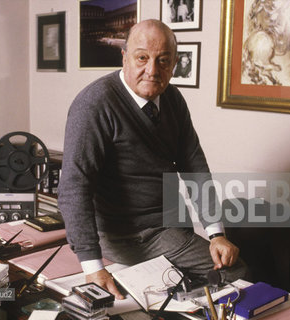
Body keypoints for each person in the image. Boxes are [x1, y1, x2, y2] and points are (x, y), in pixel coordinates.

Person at [58, 19, 246, 300]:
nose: (152, 70)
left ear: (173, 64)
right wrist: (92, 267)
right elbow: (74, 188)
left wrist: (216, 232)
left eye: (163, 60)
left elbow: (194, 168)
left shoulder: (172, 99)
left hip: (168, 226)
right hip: (122, 235)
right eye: (142, 58)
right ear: (124, 57)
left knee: (231, 274)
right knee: (234, 276)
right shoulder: (94, 104)